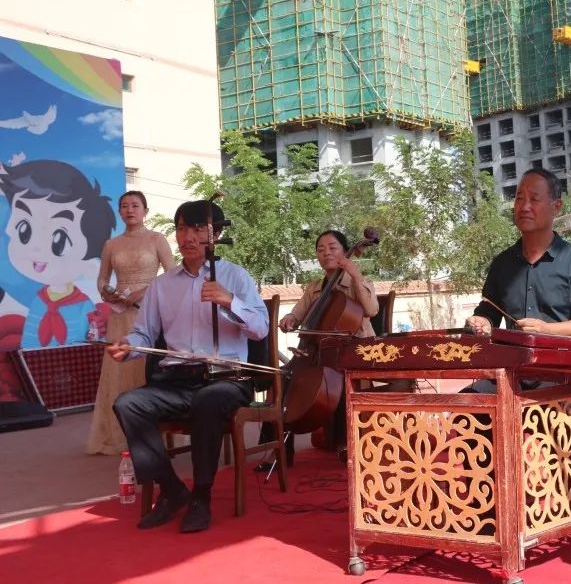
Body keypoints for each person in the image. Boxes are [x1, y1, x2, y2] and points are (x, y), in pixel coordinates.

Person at [110, 200, 268, 533]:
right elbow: (144, 333)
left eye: (198, 229)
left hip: (227, 379)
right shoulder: (163, 285)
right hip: (177, 380)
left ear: (216, 234)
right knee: (129, 404)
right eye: (182, 229)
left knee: (209, 401)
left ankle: (201, 495)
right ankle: (171, 489)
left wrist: (230, 301)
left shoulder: (235, 277)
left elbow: (261, 329)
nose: (188, 237)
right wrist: (129, 346)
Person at [464, 168, 571, 392]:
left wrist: (547, 330)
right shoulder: (502, 264)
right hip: (512, 375)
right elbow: (488, 312)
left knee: (535, 408)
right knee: (463, 404)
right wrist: (481, 322)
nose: (524, 206)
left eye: (534, 199)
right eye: (519, 198)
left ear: (556, 207)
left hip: (564, 379)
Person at [257, 229, 381, 467]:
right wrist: (290, 319)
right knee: (282, 379)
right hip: (317, 353)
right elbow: (298, 313)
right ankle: (279, 450)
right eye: (321, 249)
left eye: (333, 248)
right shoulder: (314, 287)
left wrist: (355, 274)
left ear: (345, 251)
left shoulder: (359, 282)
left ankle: (346, 445)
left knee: (340, 378)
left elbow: (371, 310)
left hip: (354, 351)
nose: (326, 253)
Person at [86, 191, 175, 455]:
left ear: (145, 210)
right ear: (119, 212)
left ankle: (158, 433)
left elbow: (171, 276)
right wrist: (107, 292)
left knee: (147, 367)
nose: (129, 210)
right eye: (124, 206)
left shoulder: (157, 239)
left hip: (151, 310)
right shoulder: (111, 244)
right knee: (120, 369)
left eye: (135, 205)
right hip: (120, 313)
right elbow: (102, 279)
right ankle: (119, 435)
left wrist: (144, 292)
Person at [0, 159, 116, 348]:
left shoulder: (84, 305)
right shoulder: (39, 301)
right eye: (24, 230)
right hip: (38, 363)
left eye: (59, 240)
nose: (37, 248)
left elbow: (93, 340)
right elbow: (29, 339)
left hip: (75, 362)